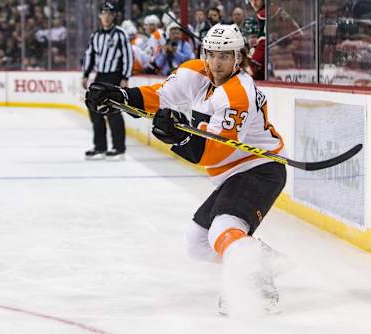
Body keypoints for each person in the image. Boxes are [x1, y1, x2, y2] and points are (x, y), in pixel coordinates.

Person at [85, 24, 287, 315]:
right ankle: (260, 259)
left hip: (260, 167)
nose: (216, 63)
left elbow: (216, 152)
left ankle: (256, 286)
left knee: (223, 229)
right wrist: (121, 97)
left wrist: (179, 137)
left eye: (224, 57)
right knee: (197, 244)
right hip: (231, 174)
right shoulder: (196, 72)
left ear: (238, 58)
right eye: (212, 55)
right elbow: (160, 96)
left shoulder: (237, 94)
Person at [82, 2, 133, 161]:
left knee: (114, 112)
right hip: (100, 76)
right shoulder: (95, 35)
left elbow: (128, 56)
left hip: (115, 76)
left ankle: (119, 148)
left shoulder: (120, 34)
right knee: (94, 109)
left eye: (110, 14)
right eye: (104, 13)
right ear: (100, 16)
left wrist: (125, 77)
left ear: (114, 16)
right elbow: (90, 55)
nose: (106, 17)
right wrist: (85, 74)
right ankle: (100, 147)